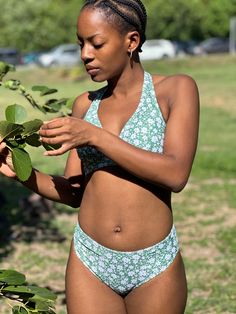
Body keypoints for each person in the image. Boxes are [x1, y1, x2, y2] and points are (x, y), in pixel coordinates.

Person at [0, 0, 199, 313]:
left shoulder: (175, 89)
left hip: (153, 264)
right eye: (81, 44)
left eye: (96, 43)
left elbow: (175, 174)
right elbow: (74, 192)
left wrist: (94, 136)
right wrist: (21, 172)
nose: (85, 55)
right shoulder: (84, 105)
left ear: (131, 41)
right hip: (90, 261)